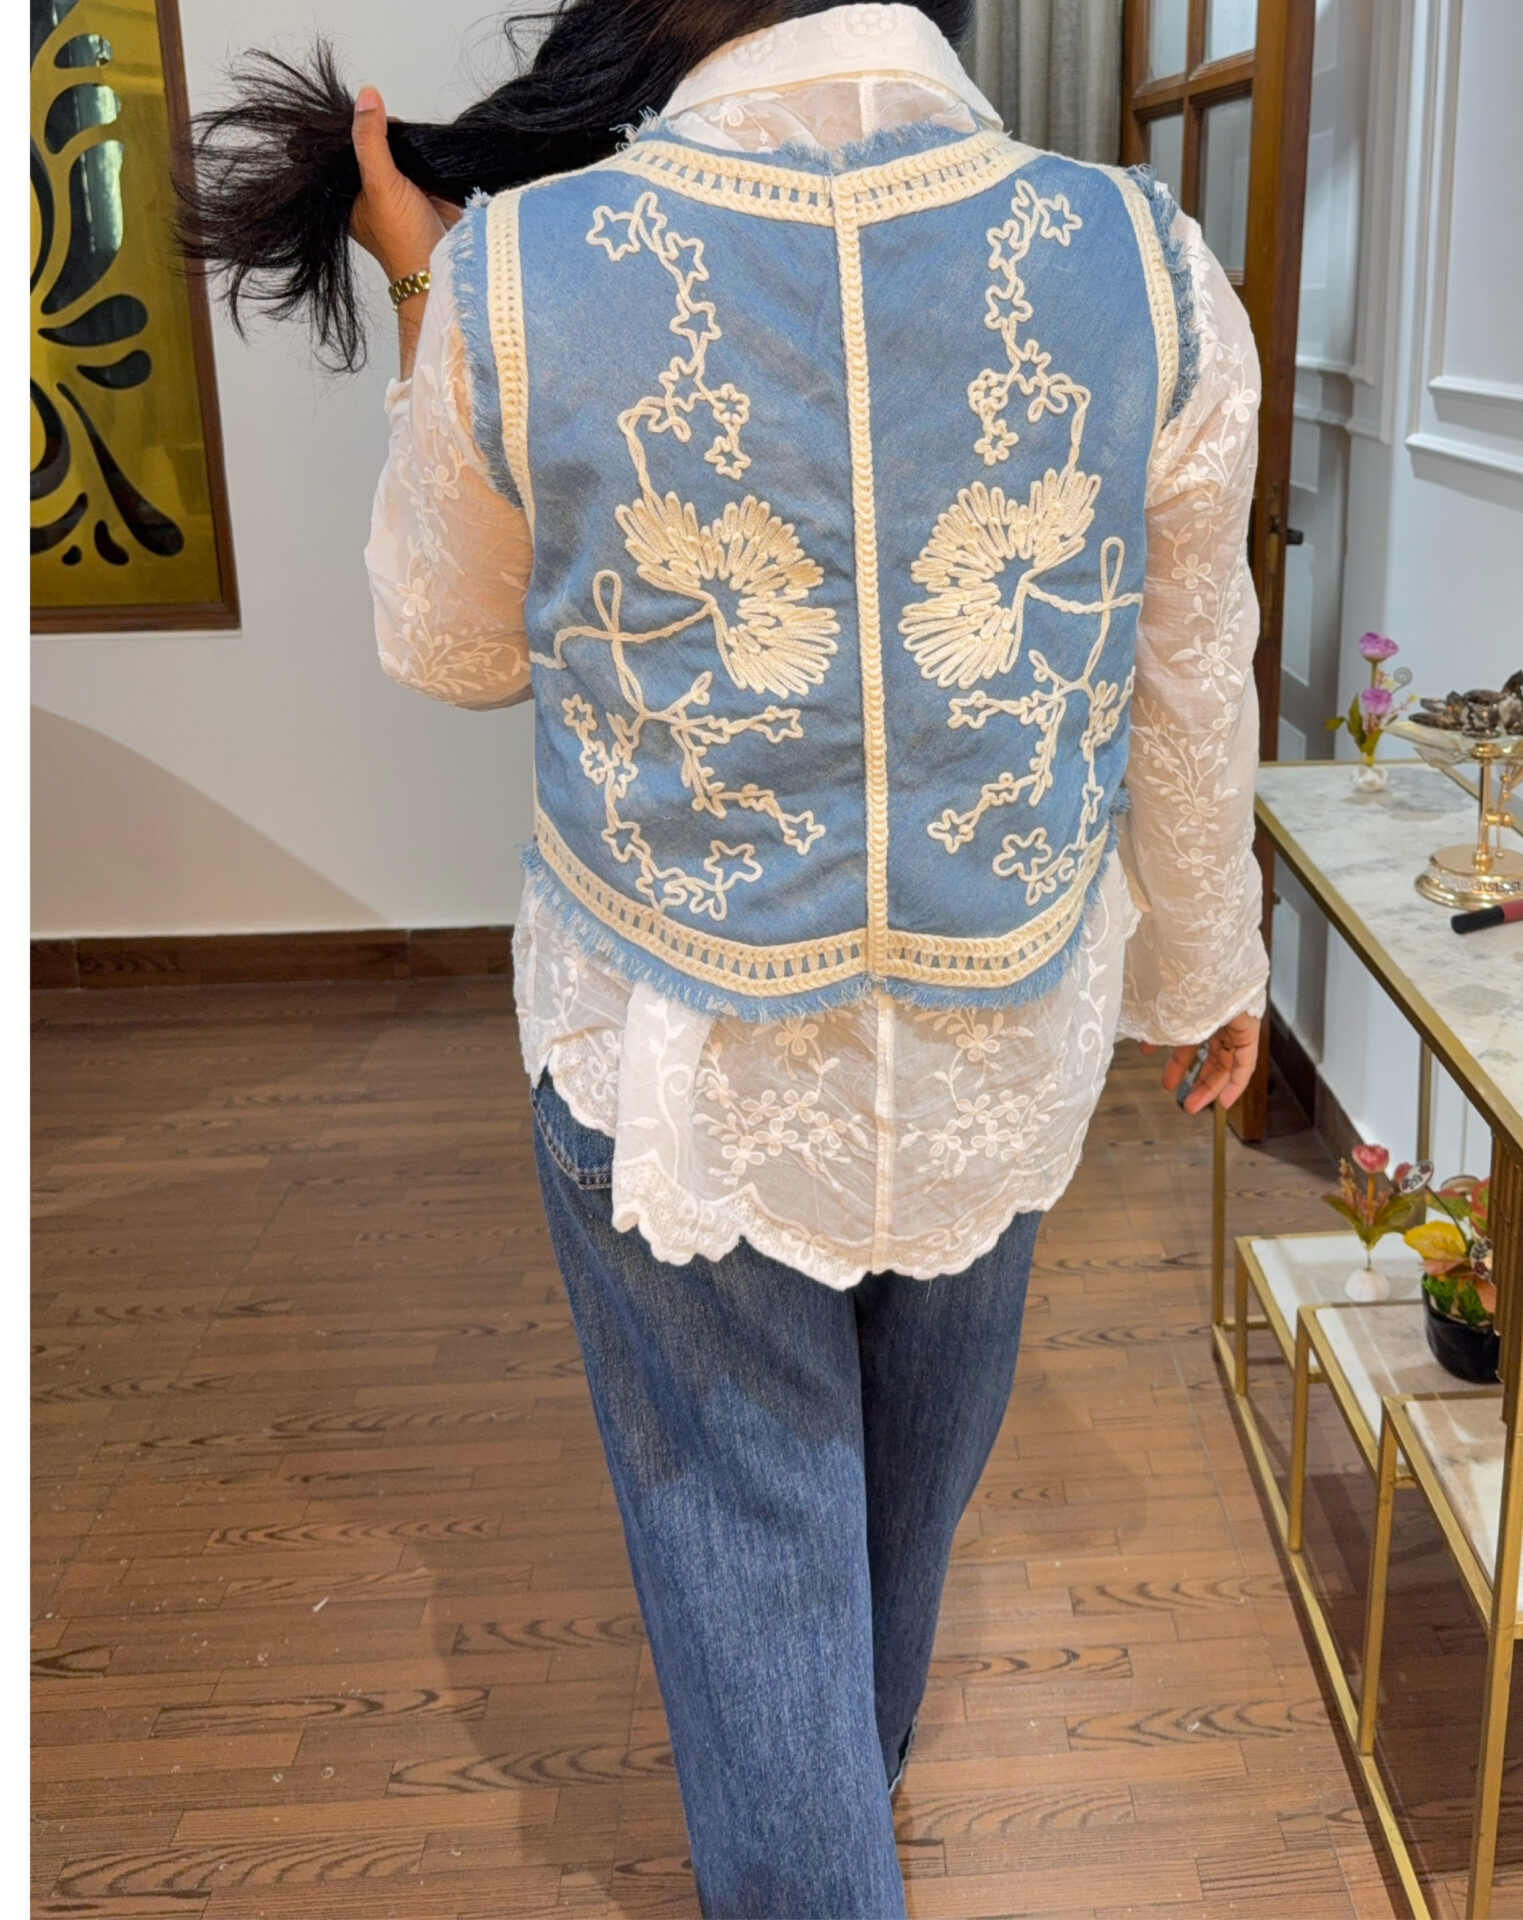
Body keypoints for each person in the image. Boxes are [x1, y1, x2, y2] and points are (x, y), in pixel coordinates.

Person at [186, 4, 1266, 1911]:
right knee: (908, 1500)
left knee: (750, 1535)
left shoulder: (526, 269)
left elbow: (450, 647)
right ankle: (843, 1804)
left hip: (672, 1031)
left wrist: (430, 291)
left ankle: (816, 1839)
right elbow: (1188, 667)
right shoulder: (1148, 261)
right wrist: (1210, 967)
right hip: (997, 1026)